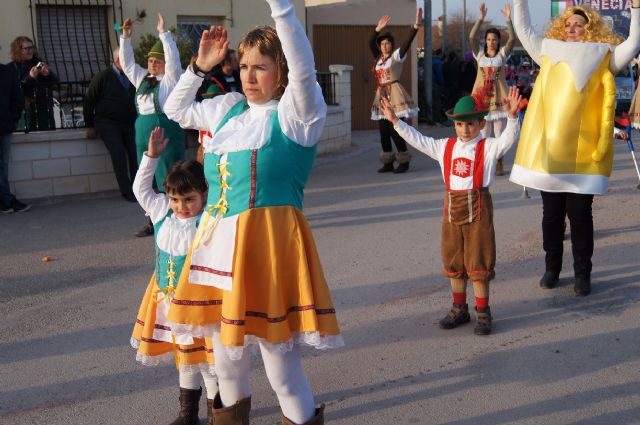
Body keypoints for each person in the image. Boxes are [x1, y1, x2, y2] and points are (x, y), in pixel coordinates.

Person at [163, 0, 343, 423]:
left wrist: (282, 9)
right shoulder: (228, 111)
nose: (249, 75)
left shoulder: (297, 115)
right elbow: (175, 110)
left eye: (261, 66)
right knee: (226, 364)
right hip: (216, 252)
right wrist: (198, 67)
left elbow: (303, 66)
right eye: (244, 66)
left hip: (268, 248)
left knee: (281, 370)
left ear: (280, 71)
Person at [510, 0, 640, 296]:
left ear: (589, 29)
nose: (571, 29)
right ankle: (552, 268)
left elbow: (633, 42)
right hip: (551, 151)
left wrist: (635, 9)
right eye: (568, 25)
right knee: (551, 215)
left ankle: (583, 274)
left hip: (585, 153)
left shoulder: (604, 55)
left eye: (578, 25)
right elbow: (524, 29)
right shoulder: (547, 50)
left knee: (580, 216)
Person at [380, 87, 522, 335]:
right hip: (452, 210)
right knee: (453, 259)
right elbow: (419, 140)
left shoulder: (488, 147)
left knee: (478, 261)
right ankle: (459, 308)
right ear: (454, 125)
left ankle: (483, 312)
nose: (465, 130)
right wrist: (395, 121)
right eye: (459, 125)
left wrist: (511, 117)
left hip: (479, 210)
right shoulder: (445, 147)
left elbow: (508, 140)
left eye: (470, 124)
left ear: (480, 123)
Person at [130, 126, 218, 425]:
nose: (180, 207)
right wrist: (151, 157)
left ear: (204, 195)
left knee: (207, 360)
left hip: (198, 303)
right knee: (185, 356)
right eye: (175, 199)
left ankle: (218, 412)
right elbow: (141, 190)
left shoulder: (208, 220)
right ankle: (187, 414)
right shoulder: (161, 212)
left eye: (189, 199)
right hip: (167, 298)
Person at [120, 13, 186, 237]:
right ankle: (153, 220)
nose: (152, 64)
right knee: (145, 176)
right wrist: (125, 38)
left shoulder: (170, 79)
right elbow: (127, 63)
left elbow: (174, 61)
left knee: (169, 175)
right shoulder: (141, 79)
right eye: (150, 60)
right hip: (142, 134)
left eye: (157, 61)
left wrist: (163, 34)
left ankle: (176, 216)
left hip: (165, 132)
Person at [370, 10, 421, 174]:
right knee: (383, 131)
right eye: (382, 43)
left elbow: (407, 42)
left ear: (392, 45)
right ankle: (388, 162)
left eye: (388, 43)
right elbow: (371, 42)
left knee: (395, 129)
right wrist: (378, 29)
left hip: (395, 93)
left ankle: (404, 160)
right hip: (381, 95)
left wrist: (415, 26)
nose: (385, 45)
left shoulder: (397, 57)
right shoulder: (378, 59)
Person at [83, 49, 138, 202]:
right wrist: (89, 125)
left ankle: (138, 189)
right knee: (118, 154)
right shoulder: (103, 77)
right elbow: (89, 101)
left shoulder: (134, 76)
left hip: (130, 122)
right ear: (118, 60)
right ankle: (126, 191)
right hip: (108, 123)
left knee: (136, 154)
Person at [469, 3, 515, 176]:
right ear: (485, 41)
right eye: (488, 39)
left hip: (499, 97)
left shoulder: (503, 54)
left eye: (494, 39)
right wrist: (480, 19)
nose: (491, 42)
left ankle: (498, 162)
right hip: (482, 97)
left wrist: (508, 20)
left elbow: (511, 40)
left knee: (498, 133)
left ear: (498, 40)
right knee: (483, 132)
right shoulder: (479, 54)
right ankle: (483, 161)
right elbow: (471, 38)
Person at [9, 36, 58, 131]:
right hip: (26, 111)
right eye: (26, 48)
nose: (30, 50)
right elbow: (15, 89)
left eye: (31, 47)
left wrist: (48, 74)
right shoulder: (13, 67)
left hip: (44, 109)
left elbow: (55, 84)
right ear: (18, 50)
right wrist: (30, 77)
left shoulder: (38, 63)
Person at [0, 59, 30, 213]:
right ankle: (7, 199)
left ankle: (5, 201)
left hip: (4, 125)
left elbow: (17, 98)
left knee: (4, 164)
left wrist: (13, 120)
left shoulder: (7, 72)